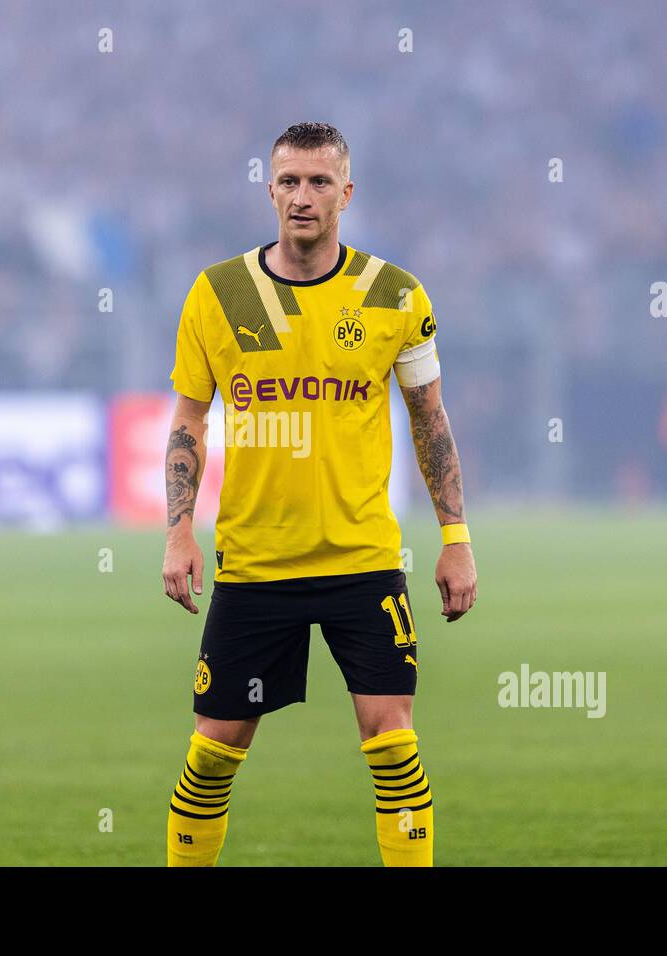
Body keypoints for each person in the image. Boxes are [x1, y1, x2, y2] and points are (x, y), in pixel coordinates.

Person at [162, 122, 477, 866]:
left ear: (347, 192)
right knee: (212, 754)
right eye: (289, 182)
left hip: (362, 560)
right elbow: (189, 419)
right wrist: (179, 531)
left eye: (320, 182)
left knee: (392, 739)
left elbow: (430, 421)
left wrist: (456, 541)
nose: (303, 197)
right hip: (254, 562)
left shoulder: (394, 294)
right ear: (268, 189)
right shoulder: (219, 293)